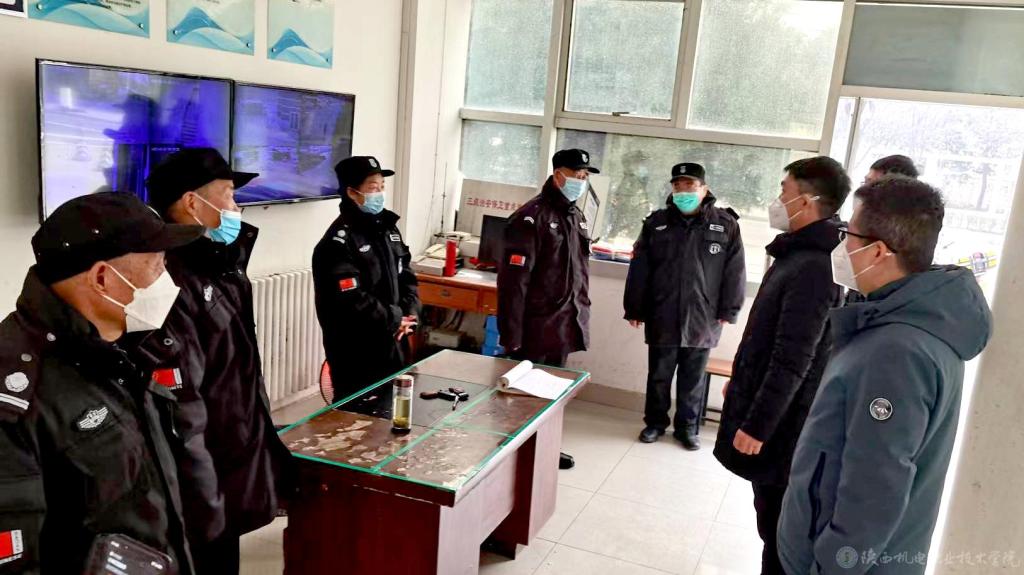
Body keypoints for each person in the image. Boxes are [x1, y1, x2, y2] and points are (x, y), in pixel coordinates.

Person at [778, 178, 992, 575]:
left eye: (848, 235)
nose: (842, 246)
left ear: (877, 251)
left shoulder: (897, 351)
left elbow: (874, 489)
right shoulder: (904, 324)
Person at [0, 192, 203, 574]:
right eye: (156, 266)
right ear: (103, 279)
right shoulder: (17, 391)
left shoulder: (123, 346)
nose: (168, 280)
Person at [138, 148, 292, 574]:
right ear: (192, 203)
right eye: (228, 194)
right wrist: (207, 498)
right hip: (204, 470)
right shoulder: (170, 280)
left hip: (229, 453)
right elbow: (181, 410)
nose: (236, 207)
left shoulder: (219, 264)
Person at [713, 157, 850, 575]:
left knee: (779, 530)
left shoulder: (815, 266)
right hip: (773, 407)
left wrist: (758, 425)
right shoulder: (800, 254)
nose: (778, 200)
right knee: (770, 522)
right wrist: (741, 379)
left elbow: (794, 356)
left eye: (784, 191)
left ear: (806, 202)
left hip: (785, 426)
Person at [624, 162, 745, 450]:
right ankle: (655, 423)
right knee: (659, 376)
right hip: (663, 312)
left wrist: (730, 309)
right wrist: (635, 308)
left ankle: (687, 428)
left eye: (689, 185)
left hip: (704, 316)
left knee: (693, 378)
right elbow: (640, 268)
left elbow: (735, 270)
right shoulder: (656, 223)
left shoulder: (725, 224)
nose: (682, 191)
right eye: (677, 185)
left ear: (704, 189)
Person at [497, 148, 598, 470]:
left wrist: (580, 314)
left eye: (585, 176)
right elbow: (514, 283)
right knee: (524, 397)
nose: (581, 181)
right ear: (558, 175)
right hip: (536, 326)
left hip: (565, 322)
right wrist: (512, 334)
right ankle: (516, 455)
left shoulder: (575, 215)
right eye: (577, 175)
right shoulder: (530, 217)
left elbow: (578, 273)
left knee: (553, 392)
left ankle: (546, 449)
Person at [312, 156, 420, 402]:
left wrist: (410, 314)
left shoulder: (388, 229)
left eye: (382, 186)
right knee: (357, 418)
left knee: (396, 409)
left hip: (395, 342)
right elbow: (351, 300)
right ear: (352, 192)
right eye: (373, 187)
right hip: (357, 351)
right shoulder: (337, 243)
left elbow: (406, 275)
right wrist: (396, 318)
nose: (379, 193)